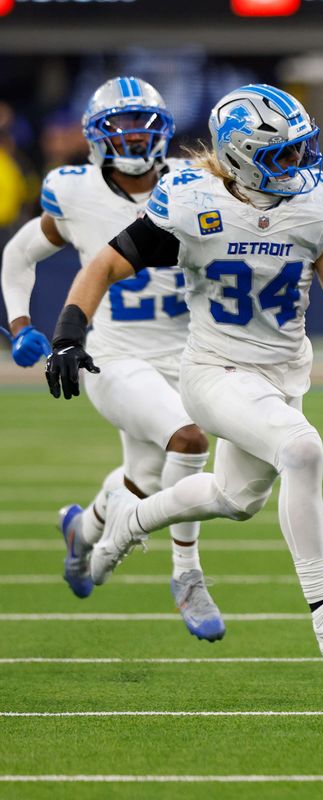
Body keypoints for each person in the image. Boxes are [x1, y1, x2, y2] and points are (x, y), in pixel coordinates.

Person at [43, 84, 323, 661]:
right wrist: (67, 334)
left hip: (282, 374)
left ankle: (130, 519)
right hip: (214, 370)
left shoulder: (320, 202)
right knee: (302, 450)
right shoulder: (191, 201)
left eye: (302, 149)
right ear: (238, 158)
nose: (299, 164)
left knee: (236, 498)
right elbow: (106, 263)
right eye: (281, 154)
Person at [0, 77, 224, 641]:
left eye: (142, 124)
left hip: (188, 353)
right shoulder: (74, 191)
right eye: (119, 125)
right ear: (97, 136)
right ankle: (187, 574)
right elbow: (20, 252)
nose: (131, 137)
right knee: (190, 440)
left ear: (164, 133)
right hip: (112, 354)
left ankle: (85, 531)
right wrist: (22, 322)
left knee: (145, 479)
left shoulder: (194, 182)